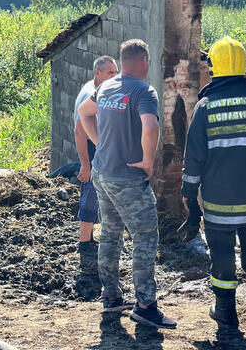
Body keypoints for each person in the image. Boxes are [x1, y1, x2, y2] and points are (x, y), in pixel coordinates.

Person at [180, 36, 246, 326]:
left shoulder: (205, 109)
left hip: (219, 203)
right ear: (244, 69)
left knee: (223, 254)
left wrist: (189, 193)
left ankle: (226, 311)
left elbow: (194, 160)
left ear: (214, 69)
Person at [78, 39, 176, 329]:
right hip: (128, 179)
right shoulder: (145, 91)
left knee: (109, 233)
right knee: (145, 238)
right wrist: (148, 161)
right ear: (144, 61)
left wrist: (102, 145)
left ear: (121, 63)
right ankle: (145, 306)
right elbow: (150, 126)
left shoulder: (105, 88)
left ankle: (111, 297)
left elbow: (84, 113)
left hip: (102, 174)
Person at [74, 55, 118, 299]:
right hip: (91, 148)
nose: (114, 76)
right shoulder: (90, 94)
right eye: (110, 72)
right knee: (90, 193)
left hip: (103, 145)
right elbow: (79, 130)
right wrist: (85, 163)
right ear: (97, 74)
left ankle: (95, 237)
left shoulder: (108, 91)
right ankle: (85, 243)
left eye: (116, 72)